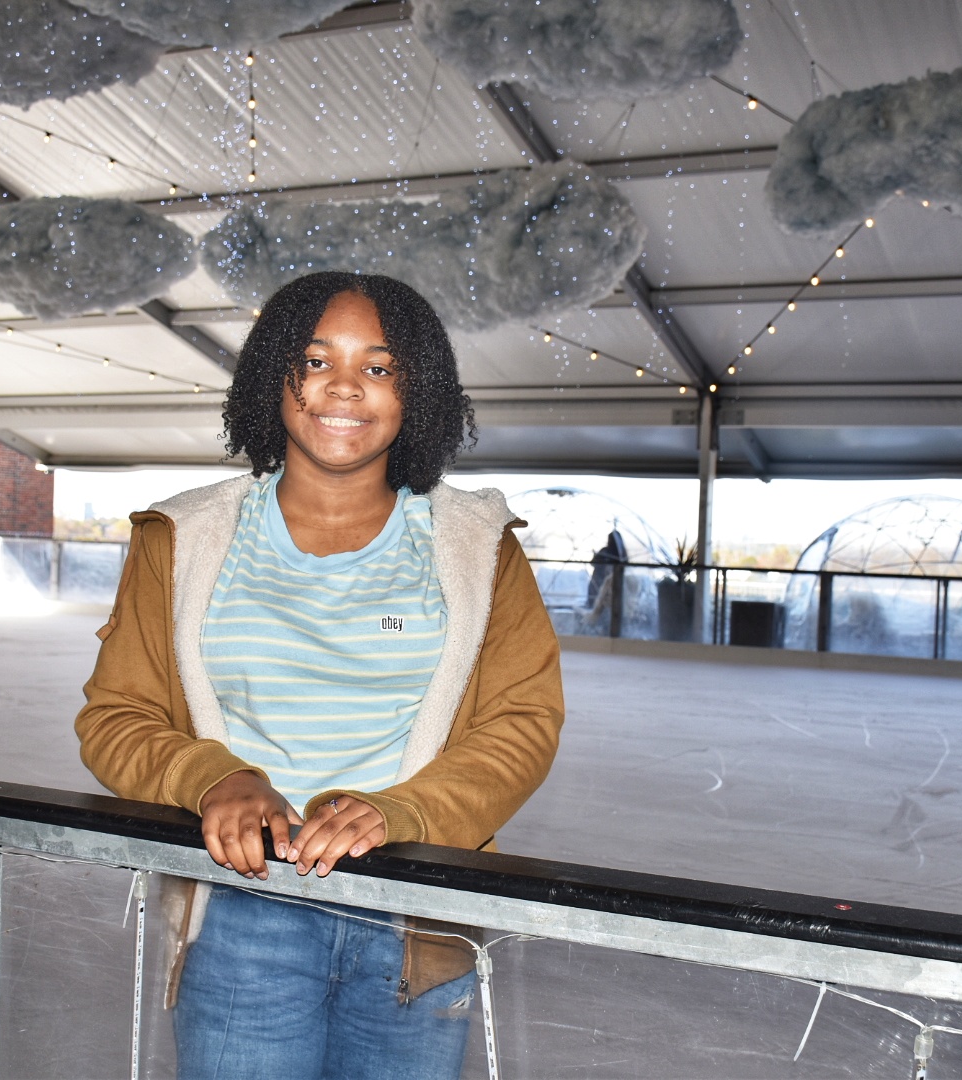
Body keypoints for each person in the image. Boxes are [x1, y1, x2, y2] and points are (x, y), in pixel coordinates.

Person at [75, 271, 564, 1080]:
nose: (344, 386)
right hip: (241, 911)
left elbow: (521, 725)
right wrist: (215, 777)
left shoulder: (477, 545)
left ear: (418, 394)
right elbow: (116, 715)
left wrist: (400, 810)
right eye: (315, 360)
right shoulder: (183, 536)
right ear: (276, 376)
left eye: (379, 367)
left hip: (416, 914)